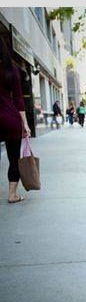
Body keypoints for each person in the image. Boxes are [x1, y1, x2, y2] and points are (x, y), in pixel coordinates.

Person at [0, 39, 31, 203]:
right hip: (10, 118)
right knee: (14, 158)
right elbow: (19, 99)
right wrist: (25, 124)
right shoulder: (11, 69)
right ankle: (12, 195)